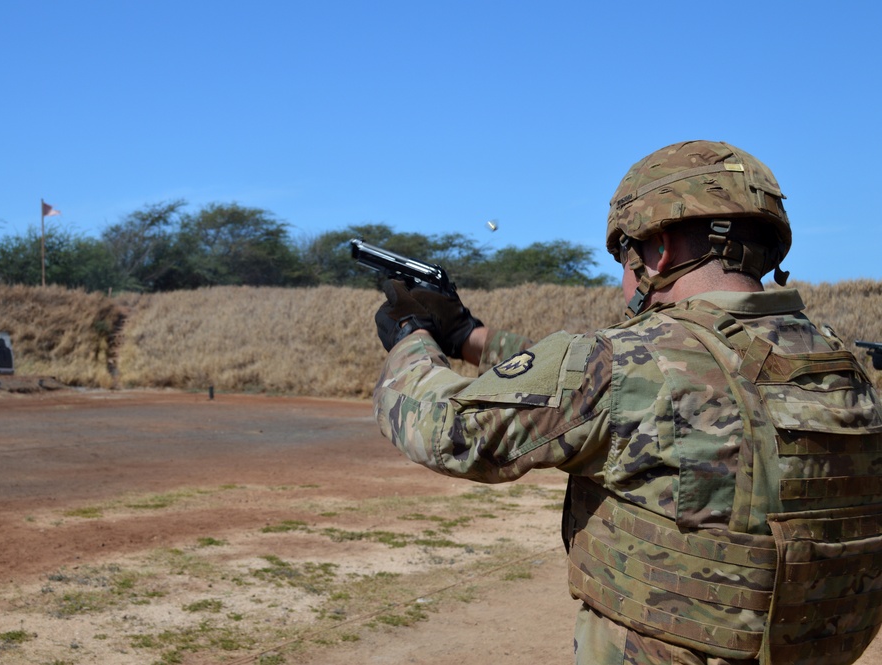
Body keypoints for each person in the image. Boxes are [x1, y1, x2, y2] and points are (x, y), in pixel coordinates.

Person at [371, 140, 882, 665]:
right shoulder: (839, 365)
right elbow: (612, 384)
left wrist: (411, 338)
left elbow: (444, 428)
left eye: (623, 256)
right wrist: (469, 337)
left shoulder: (627, 365)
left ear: (657, 249)